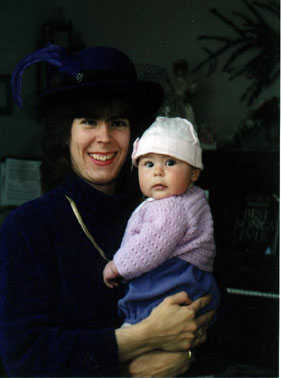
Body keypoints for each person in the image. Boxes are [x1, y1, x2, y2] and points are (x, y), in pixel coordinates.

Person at [0, 44, 233, 377]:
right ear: (66, 134)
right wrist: (140, 345)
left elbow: (225, 328)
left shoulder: (172, 206)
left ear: (136, 138)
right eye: (89, 121)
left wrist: (189, 355)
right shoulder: (26, 228)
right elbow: (23, 358)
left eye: (118, 122)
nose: (104, 138)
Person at [103, 116, 220, 327]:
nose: (158, 171)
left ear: (194, 172)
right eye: (148, 164)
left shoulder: (170, 206)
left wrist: (116, 266)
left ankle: (137, 324)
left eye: (170, 162)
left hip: (171, 280)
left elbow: (149, 246)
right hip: (193, 283)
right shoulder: (191, 198)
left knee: (145, 303)